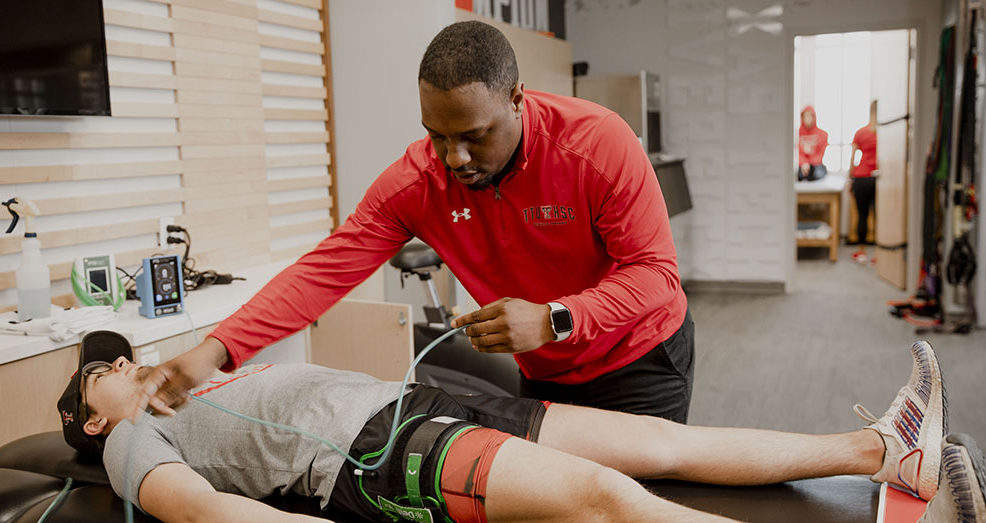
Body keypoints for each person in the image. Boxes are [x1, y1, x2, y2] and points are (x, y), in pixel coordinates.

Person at [135, 20, 694, 423]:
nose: (454, 158)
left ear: (518, 99)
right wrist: (214, 351)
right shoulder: (415, 182)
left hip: (639, 360)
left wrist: (556, 317)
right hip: (545, 372)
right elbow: (321, 273)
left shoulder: (597, 143)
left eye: (473, 136)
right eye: (437, 134)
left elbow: (654, 274)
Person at [59, 330, 984, 523]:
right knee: (603, 498)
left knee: (664, 446)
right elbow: (208, 515)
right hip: (387, 458)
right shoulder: (136, 442)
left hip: (433, 402)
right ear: (93, 424)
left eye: (119, 355)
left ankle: (882, 455)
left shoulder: (193, 382)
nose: (120, 368)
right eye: (99, 376)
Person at [850, 100, 879, 264]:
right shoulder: (885, 133)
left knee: (863, 215)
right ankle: (879, 254)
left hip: (860, 178)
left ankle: (861, 252)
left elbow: (852, 160)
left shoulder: (860, 132)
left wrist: (850, 179)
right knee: (878, 216)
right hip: (878, 178)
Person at [798, 105, 829, 181]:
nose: (808, 119)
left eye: (810, 116)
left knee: (818, 171)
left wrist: (809, 164)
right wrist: (803, 163)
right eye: (805, 116)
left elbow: (820, 154)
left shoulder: (823, 134)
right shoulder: (796, 134)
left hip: (816, 166)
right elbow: (797, 152)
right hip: (801, 166)